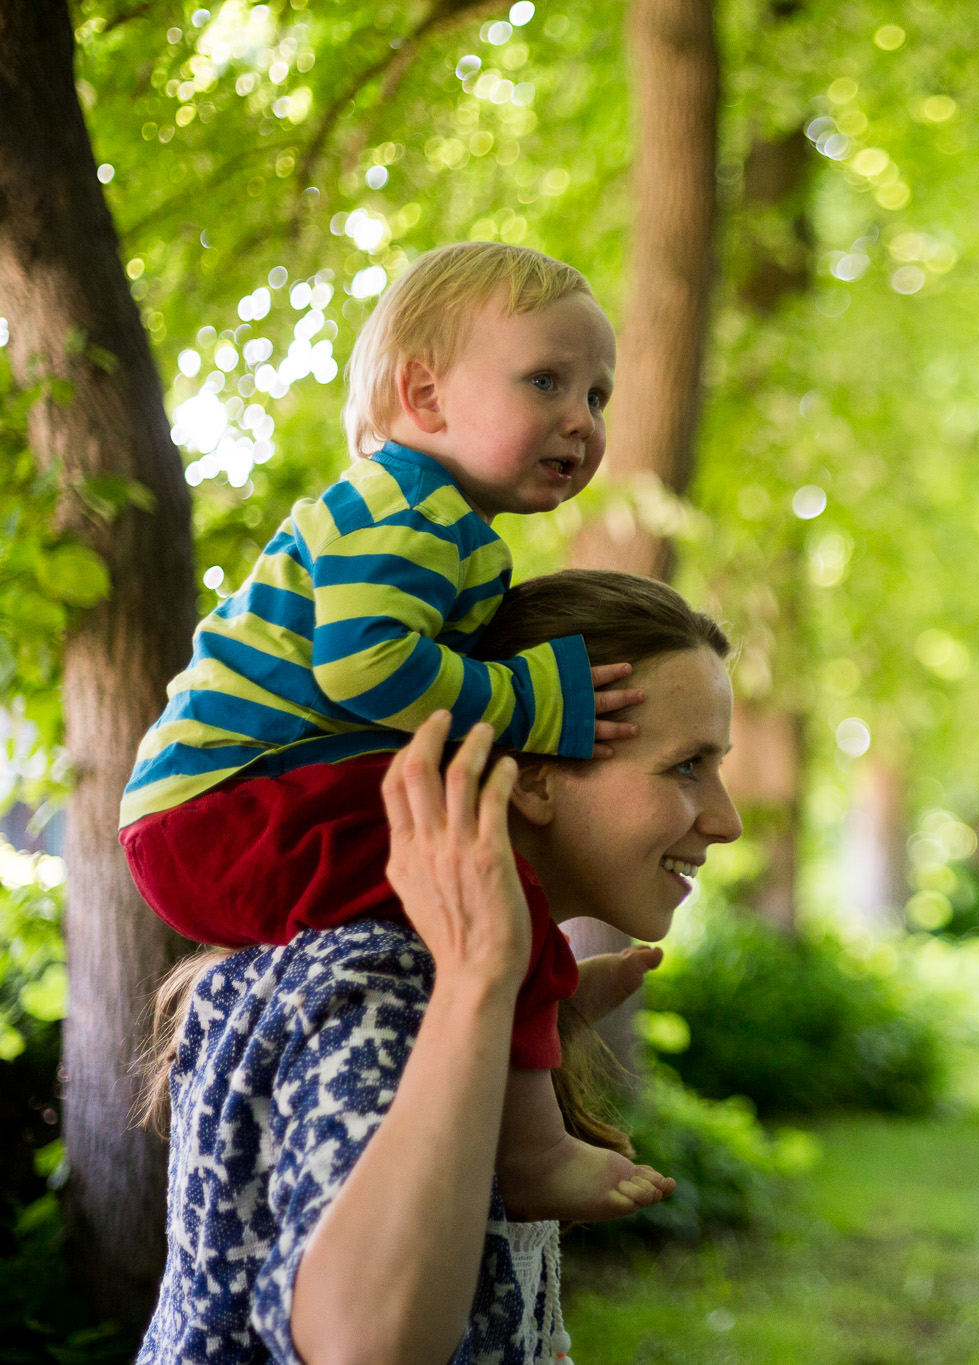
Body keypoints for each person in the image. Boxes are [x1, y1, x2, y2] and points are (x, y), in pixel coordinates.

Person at [119, 243, 652, 1220]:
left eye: (599, 395)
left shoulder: (428, 517)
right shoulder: (404, 507)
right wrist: (527, 699)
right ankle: (534, 1147)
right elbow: (364, 666)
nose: (582, 418)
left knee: (459, 870)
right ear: (425, 394)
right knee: (479, 866)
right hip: (229, 805)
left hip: (233, 803)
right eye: (546, 380)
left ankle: (536, 1003)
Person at [139, 570, 742, 1364]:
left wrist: (519, 1013)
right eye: (687, 765)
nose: (727, 820)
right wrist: (477, 987)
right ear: (530, 774)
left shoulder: (428, 977)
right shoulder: (385, 980)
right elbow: (364, 1347)